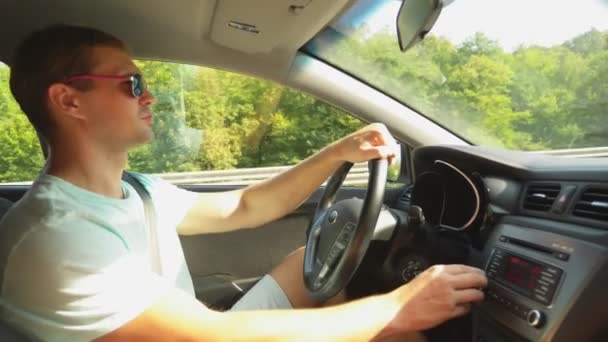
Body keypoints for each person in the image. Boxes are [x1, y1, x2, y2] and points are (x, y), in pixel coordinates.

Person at [0, 25, 487, 341]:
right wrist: (398, 306)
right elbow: (213, 337)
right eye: (131, 84)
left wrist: (341, 152)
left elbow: (244, 207)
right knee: (390, 312)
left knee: (311, 266)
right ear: (69, 101)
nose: (149, 96)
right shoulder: (55, 238)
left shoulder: (136, 190)